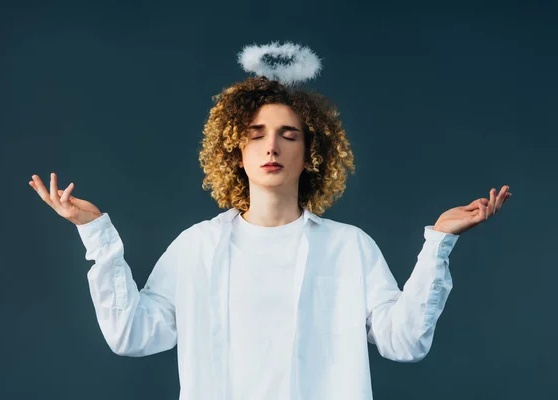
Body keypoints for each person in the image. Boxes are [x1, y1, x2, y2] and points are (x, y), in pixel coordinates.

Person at [29, 42, 511, 400]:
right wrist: (95, 234)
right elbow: (132, 335)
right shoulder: (198, 247)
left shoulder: (350, 248)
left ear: (311, 154)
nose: (272, 147)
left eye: (288, 135)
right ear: (236, 153)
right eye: (256, 135)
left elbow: (403, 342)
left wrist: (438, 244)